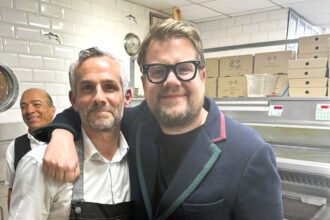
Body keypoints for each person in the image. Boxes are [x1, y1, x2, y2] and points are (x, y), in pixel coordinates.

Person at [35, 19, 284, 220]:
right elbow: (93, 109)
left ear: (203, 76)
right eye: (158, 71)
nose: (171, 81)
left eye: (184, 68)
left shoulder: (249, 153)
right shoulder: (136, 124)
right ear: (144, 82)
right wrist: (62, 133)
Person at [9, 47, 134, 220]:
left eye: (110, 87)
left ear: (127, 97)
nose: (99, 98)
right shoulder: (39, 164)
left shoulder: (140, 159)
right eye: (88, 88)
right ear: (73, 100)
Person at [5, 88, 56, 207]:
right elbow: (13, 190)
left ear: (52, 110)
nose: (29, 110)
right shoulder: (15, 146)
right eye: (23, 106)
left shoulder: (68, 141)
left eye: (36, 104)